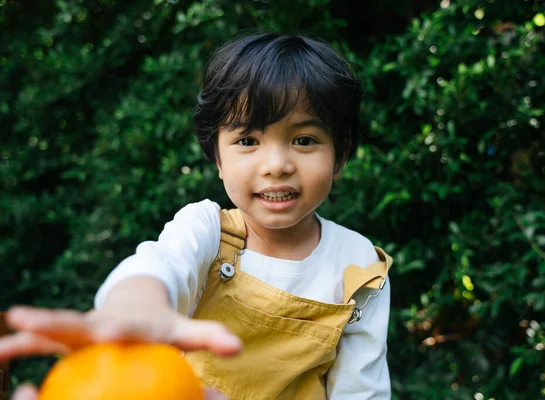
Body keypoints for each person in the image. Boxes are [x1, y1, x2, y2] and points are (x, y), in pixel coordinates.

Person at [1, 32, 392, 399]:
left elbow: (362, 390)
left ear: (339, 155)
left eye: (304, 140)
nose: (277, 165)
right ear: (217, 159)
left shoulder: (359, 265)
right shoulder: (208, 229)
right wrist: (135, 311)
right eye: (247, 141)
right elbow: (158, 266)